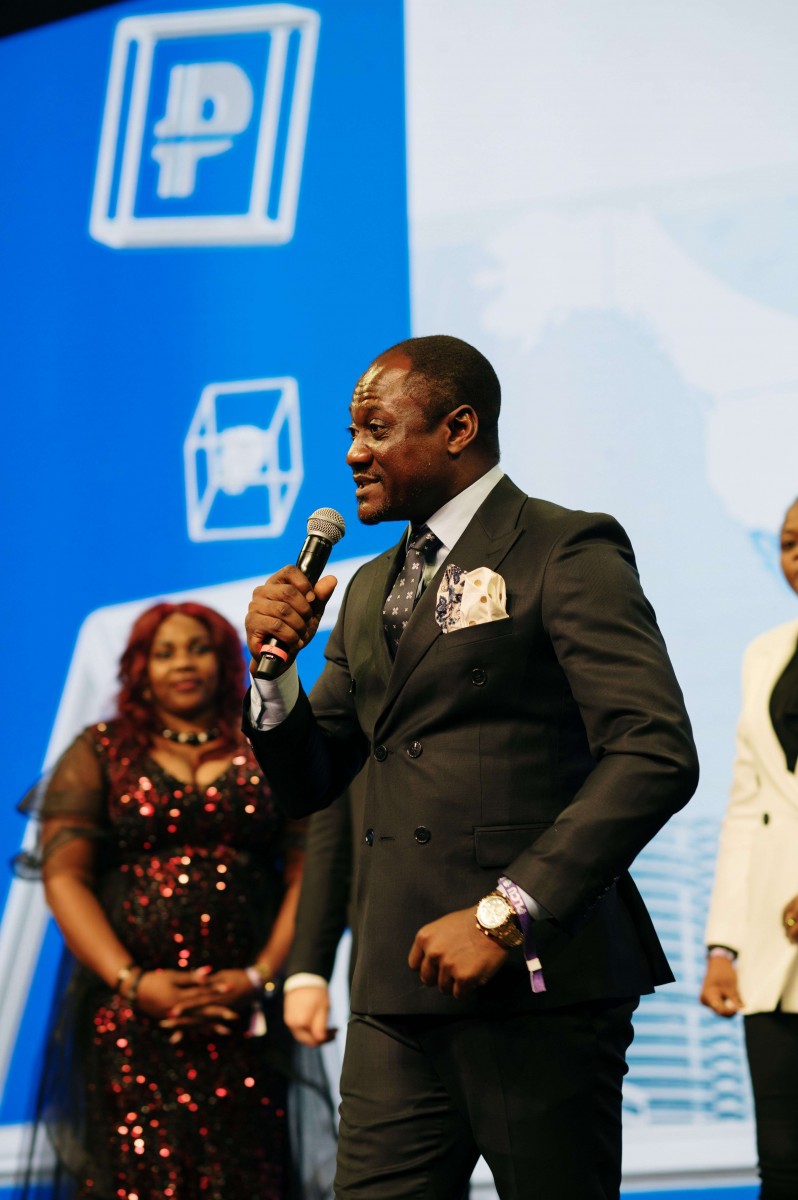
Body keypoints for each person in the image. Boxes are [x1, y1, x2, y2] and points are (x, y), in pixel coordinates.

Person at [242, 334, 699, 1199]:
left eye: (376, 429)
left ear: (458, 428)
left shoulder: (563, 546)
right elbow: (313, 778)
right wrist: (272, 679)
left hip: (535, 981)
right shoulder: (369, 586)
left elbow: (654, 751)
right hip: (395, 984)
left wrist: (506, 915)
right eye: (351, 432)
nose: (353, 453)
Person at [17, 601, 332, 1200]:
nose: (183, 663)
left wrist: (259, 976)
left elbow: (309, 871)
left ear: (225, 660)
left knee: (248, 1173)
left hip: (245, 1013)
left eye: (198, 648)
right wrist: (134, 983)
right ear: (140, 668)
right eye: (164, 653)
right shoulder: (100, 748)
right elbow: (64, 878)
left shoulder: (265, 743)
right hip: (131, 1017)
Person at [700, 497, 798, 1200]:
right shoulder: (763, 654)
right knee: (782, 1162)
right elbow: (746, 808)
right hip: (770, 944)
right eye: (791, 542)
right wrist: (723, 947)